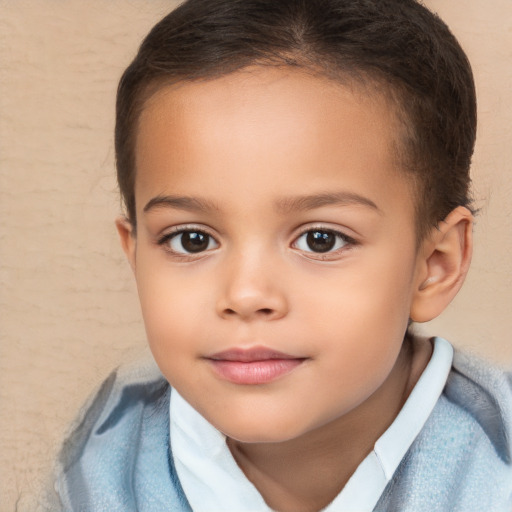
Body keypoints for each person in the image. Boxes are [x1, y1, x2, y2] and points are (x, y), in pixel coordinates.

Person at [50, 0, 512, 510]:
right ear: (135, 255)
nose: (246, 295)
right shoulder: (89, 461)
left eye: (321, 239)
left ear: (435, 265)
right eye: (192, 240)